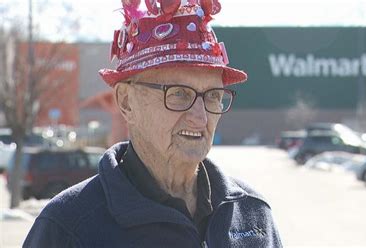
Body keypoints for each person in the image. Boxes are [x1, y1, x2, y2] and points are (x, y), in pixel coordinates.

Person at [24, 0, 282, 247]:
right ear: (126, 102)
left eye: (213, 96)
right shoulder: (68, 227)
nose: (201, 117)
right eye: (179, 94)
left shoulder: (252, 213)